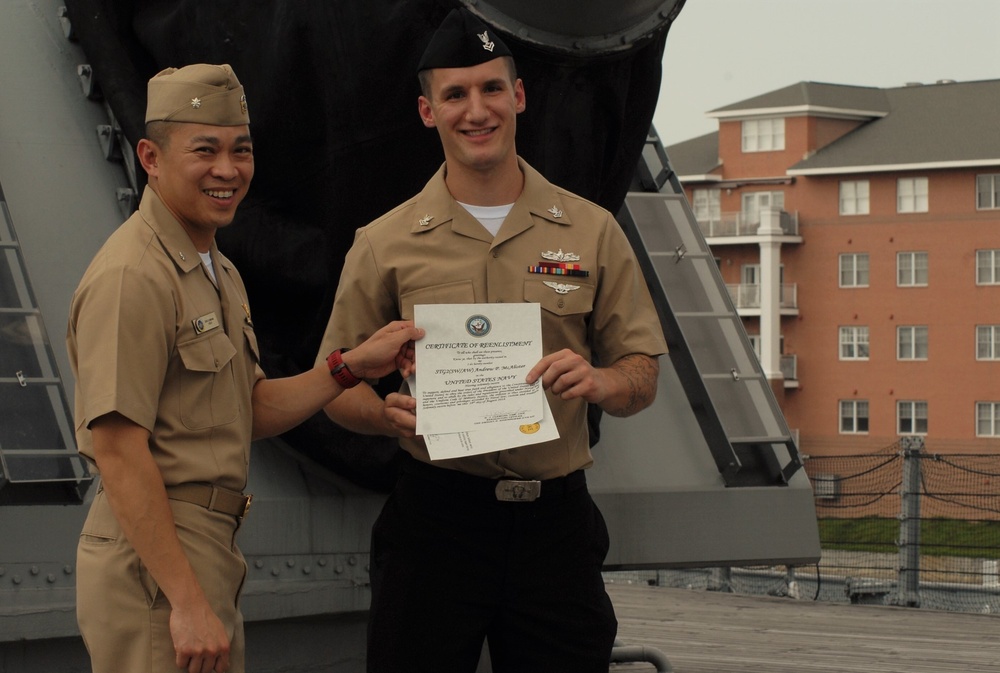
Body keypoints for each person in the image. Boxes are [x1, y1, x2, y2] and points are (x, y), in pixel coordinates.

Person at [315, 8, 668, 673]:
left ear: (519, 96)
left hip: (554, 530)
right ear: (428, 112)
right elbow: (334, 382)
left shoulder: (591, 231)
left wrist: (602, 382)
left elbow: (641, 372)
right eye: (455, 94)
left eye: (491, 89)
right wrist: (383, 413)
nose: (476, 110)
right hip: (436, 522)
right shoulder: (384, 244)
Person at [67, 63, 422, 673]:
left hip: (202, 551)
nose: (228, 170)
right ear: (151, 157)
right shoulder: (134, 276)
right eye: (204, 150)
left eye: (241, 150)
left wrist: (348, 367)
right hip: (158, 565)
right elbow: (118, 450)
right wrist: (186, 603)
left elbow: (246, 408)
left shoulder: (215, 269)